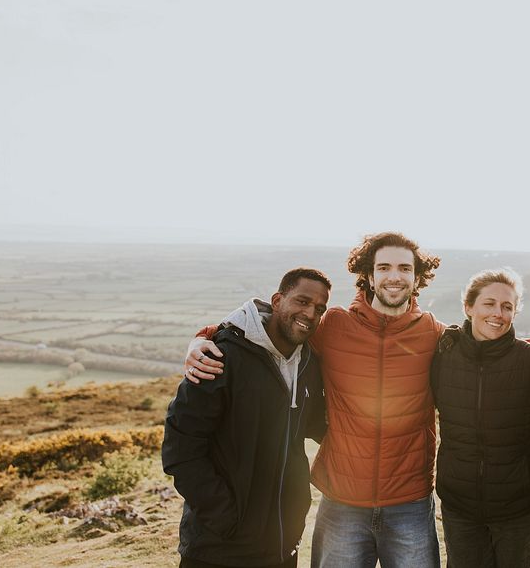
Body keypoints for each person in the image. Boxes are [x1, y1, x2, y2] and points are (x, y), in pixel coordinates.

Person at [186, 233, 444, 568]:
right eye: (384, 267)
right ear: (368, 274)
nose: (394, 276)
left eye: (404, 268)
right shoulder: (334, 325)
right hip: (342, 503)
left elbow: (488, 345)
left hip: (410, 501)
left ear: (417, 276)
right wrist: (202, 338)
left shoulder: (434, 333)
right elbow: (268, 330)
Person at [162, 267, 331, 568]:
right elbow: (181, 446)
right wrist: (225, 516)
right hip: (219, 550)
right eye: (302, 301)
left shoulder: (309, 364)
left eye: (319, 308)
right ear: (277, 300)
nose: (310, 313)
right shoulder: (221, 357)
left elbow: (321, 425)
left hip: (282, 547)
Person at [430, 269, 530, 568]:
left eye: (507, 307)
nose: (498, 313)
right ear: (468, 307)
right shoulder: (444, 356)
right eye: (489, 304)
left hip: (518, 509)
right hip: (460, 508)